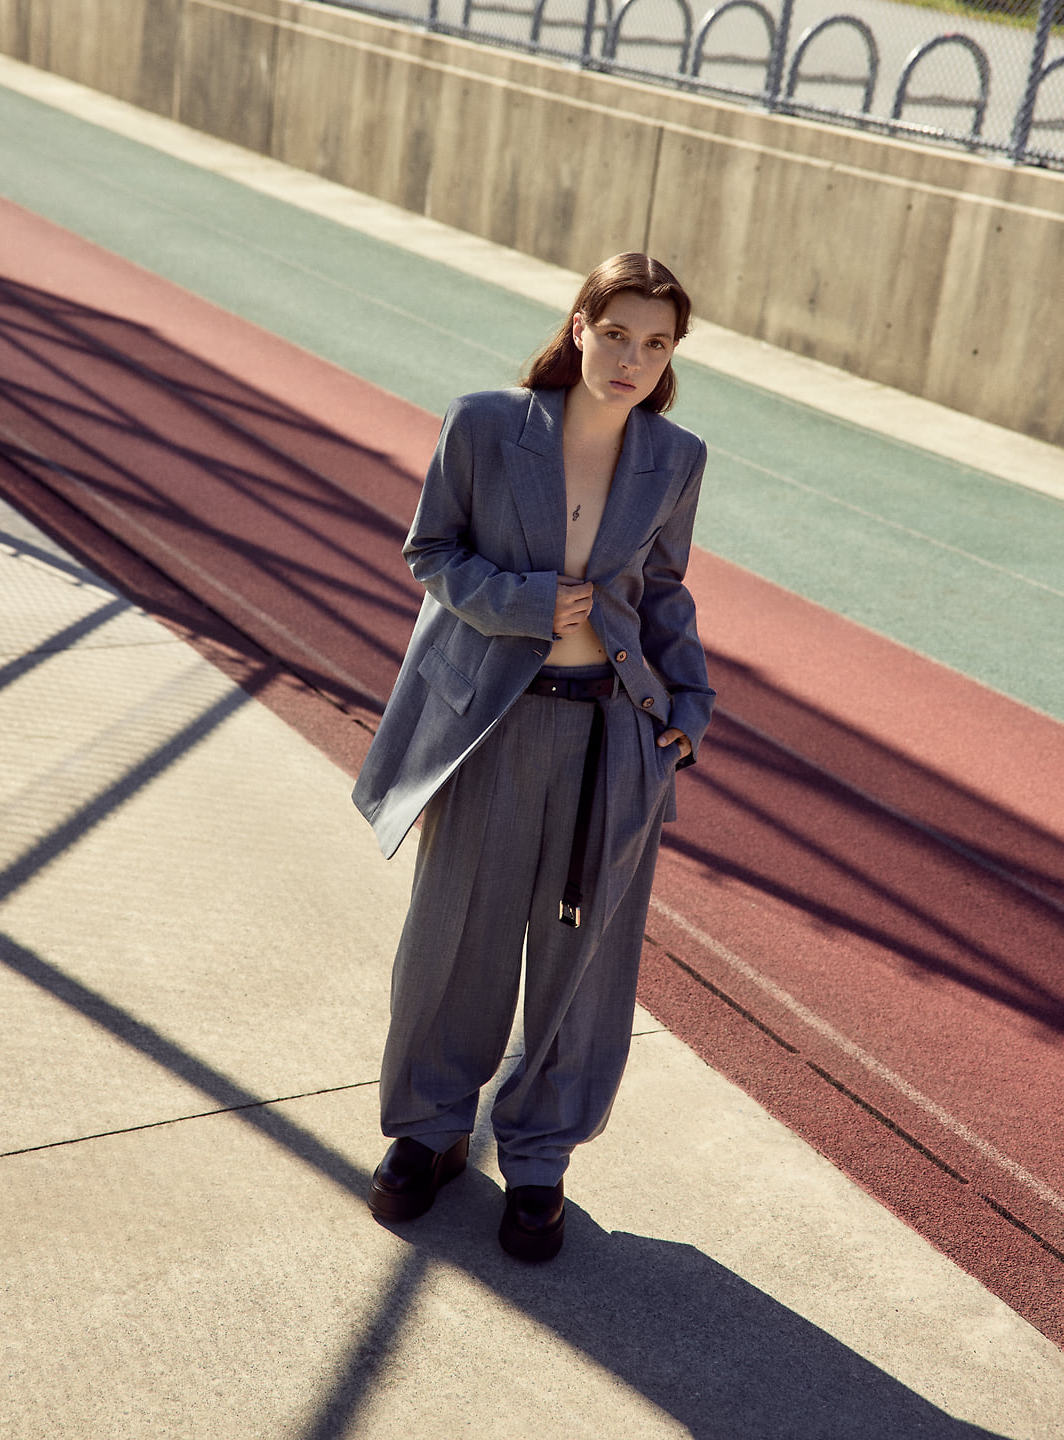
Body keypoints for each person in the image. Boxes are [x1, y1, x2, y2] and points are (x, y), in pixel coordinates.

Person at [352, 252, 715, 1261]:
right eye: (615, 333)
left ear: (671, 354)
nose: (630, 358)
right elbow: (431, 552)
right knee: (452, 941)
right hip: (490, 726)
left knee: (580, 963)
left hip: (610, 733)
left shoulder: (675, 455)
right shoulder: (482, 424)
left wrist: (687, 704)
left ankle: (541, 1159)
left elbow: (666, 591)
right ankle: (427, 1134)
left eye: (654, 343)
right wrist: (518, 601)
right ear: (578, 324)